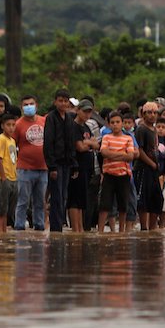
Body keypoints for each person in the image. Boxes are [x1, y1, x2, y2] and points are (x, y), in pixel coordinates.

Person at [98, 110, 136, 233]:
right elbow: (104, 153)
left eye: (118, 122)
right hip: (109, 174)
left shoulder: (128, 138)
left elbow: (130, 156)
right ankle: (101, 231)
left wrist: (112, 155)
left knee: (123, 205)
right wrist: (122, 154)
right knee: (105, 205)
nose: (115, 124)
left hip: (124, 175)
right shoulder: (106, 137)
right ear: (109, 124)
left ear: (122, 124)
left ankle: (121, 232)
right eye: (112, 122)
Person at [43, 88, 76, 232]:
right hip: (55, 163)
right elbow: (48, 143)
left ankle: (59, 225)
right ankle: (55, 228)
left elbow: (71, 142)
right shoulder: (51, 118)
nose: (63, 104)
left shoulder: (69, 118)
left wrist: (74, 164)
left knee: (64, 195)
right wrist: (52, 167)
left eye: (65, 101)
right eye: (60, 101)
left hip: (67, 163)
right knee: (56, 196)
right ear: (55, 102)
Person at [15, 95, 48, 232]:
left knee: (40, 202)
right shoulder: (18, 124)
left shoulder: (44, 121)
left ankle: (39, 226)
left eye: (31, 104)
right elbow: (12, 145)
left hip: (43, 168)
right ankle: (19, 227)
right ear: (22, 108)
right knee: (23, 201)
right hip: (24, 169)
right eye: (26, 104)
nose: (29, 106)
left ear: (36, 105)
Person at [69, 99, 97, 233]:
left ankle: (79, 229)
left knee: (81, 201)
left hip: (87, 168)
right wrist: (89, 143)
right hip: (76, 167)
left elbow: (96, 144)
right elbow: (79, 147)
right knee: (74, 199)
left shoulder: (87, 127)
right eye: (84, 111)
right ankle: (75, 229)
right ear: (78, 110)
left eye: (89, 112)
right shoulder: (73, 126)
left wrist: (89, 143)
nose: (87, 115)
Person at [135, 101, 162, 230]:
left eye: (155, 113)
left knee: (156, 199)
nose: (152, 115)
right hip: (144, 169)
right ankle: (144, 228)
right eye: (149, 113)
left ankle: (153, 228)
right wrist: (151, 163)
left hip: (154, 169)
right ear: (143, 114)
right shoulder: (141, 129)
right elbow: (139, 151)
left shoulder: (155, 129)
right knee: (144, 200)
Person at [0, 113, 19, 232]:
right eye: (8, 125)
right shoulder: (1, 139)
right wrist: (3, 177)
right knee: (0, 208)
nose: (11, 128)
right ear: (2, 126)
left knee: (8, 208)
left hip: (13, 177)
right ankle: (0, 232)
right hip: (2, 178)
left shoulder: (12, 140)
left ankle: (4, 231)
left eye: (13, 125)